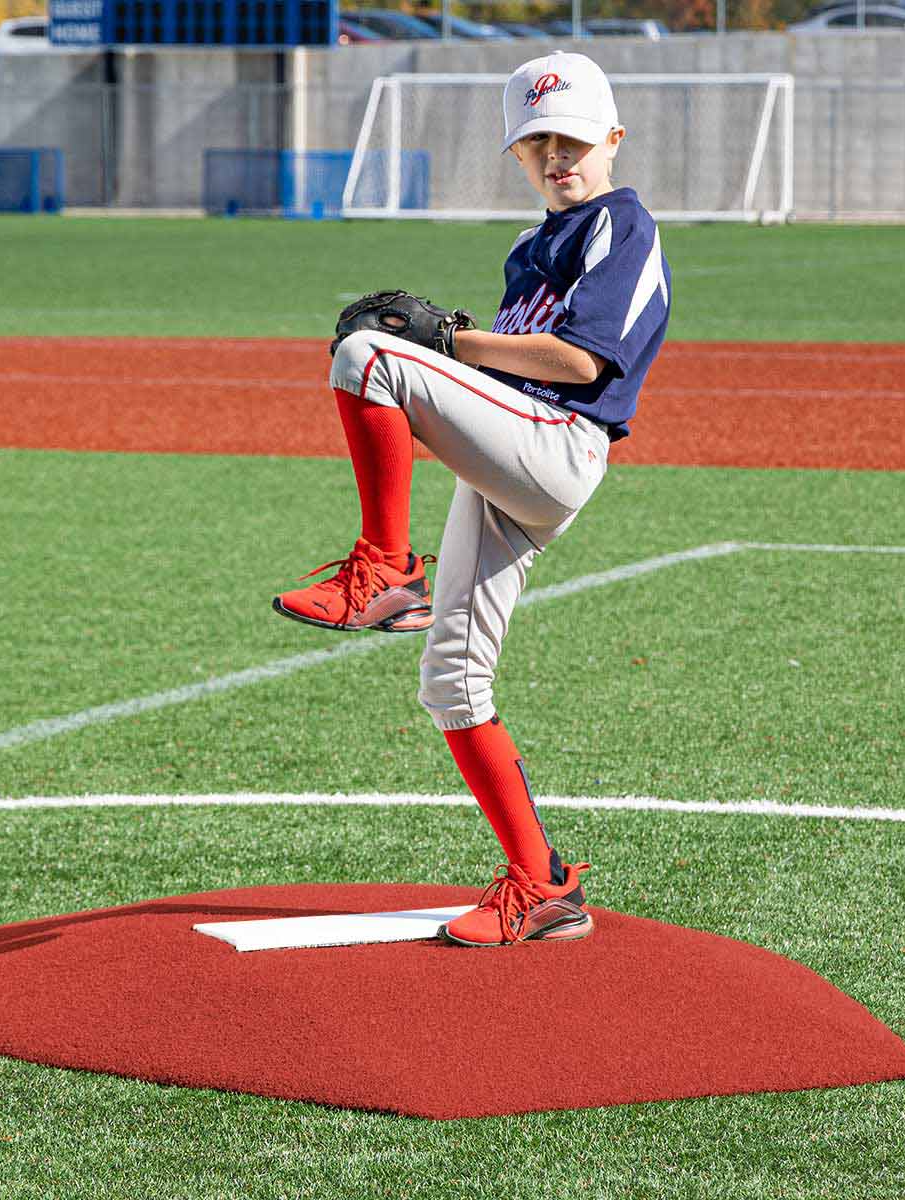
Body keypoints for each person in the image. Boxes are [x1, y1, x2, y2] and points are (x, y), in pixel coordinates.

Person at [272, 52, 671, 946]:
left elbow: (580, 364)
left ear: (612, 138)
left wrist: (448, 340)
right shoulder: (529, 249)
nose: (557, 156)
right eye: (537, 145)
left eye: (572, 138)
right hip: (513, 455)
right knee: (453, 682)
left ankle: (383, 569)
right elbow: (493, 368)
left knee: (366, 356)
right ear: (518, 157)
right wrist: (454, 348)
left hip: (560, 447)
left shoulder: (623, 226)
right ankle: (544, 884)